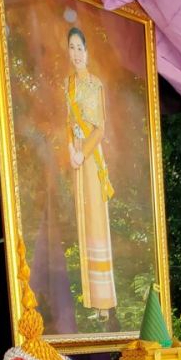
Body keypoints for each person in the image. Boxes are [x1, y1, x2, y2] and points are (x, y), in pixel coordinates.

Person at [65, 25, 117, 322]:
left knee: (97, 223)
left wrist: (83, 153)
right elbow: (66, 121)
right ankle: (90, 299)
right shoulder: (68, 84)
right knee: (83, 224)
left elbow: (100, 129)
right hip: (77, 159)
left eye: (80, 48)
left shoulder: (94, 84)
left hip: (92, 158)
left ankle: (104, 302)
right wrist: (70, 152)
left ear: (88, 51)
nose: (76, 53)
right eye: (71, 48)